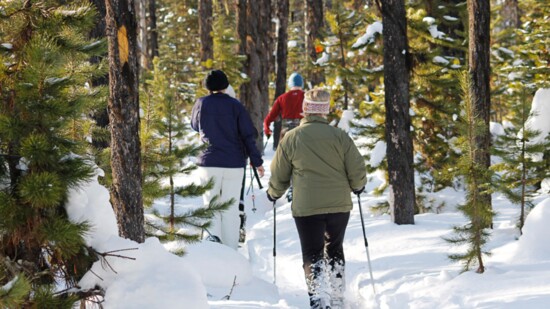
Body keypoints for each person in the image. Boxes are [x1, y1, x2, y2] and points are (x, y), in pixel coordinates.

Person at [266, 88, 367, 309]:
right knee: (335, 248)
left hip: (307, 207)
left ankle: (319, 299)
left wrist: (273, 193)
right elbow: (357, 168)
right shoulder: (340, 136)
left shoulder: (291, 138)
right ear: (325, 111)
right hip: (339, 205)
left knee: (313, 252)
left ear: (305, 110)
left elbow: (279, 174)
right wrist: (358, 187)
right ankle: (338, 295)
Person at [191, 70, 264, 250]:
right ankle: (230, 250)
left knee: (211, 206)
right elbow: (248, 135)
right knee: (230, 209)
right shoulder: (235, 105)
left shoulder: (201, 103)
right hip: (234, 164)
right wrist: (257, 161)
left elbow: (194, 125)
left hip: (209, 163)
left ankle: (213, 249)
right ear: (225, 86)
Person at [263, 72, 305, 149]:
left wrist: (267, 129)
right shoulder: (307, 96)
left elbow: (269, 118)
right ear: (301, 84)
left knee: (285, 157)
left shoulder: (282, 98)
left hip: (286, 132)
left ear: (290, 84)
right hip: (303, 132)